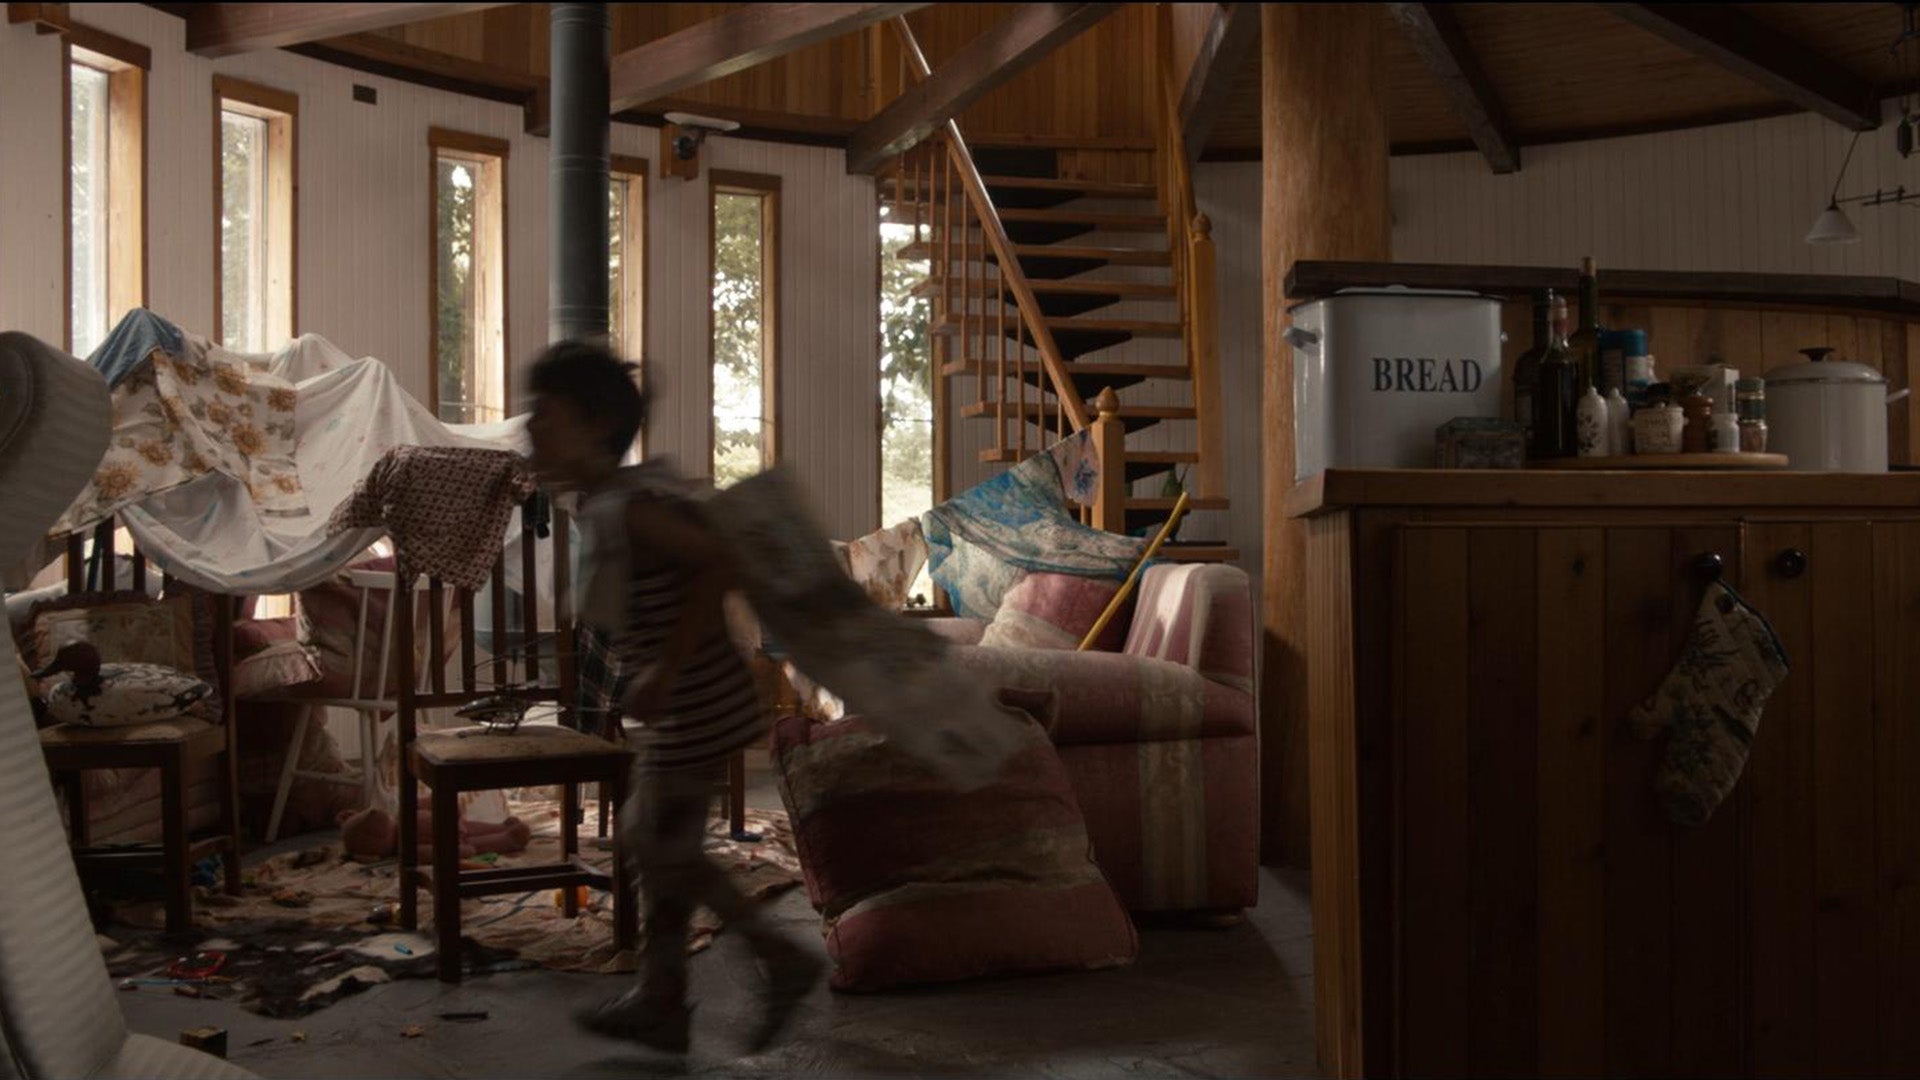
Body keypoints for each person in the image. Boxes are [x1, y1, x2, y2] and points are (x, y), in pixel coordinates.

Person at [522, 341, 823, 1055]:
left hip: (697, 701)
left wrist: (668, 665)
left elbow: (720, 557)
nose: (531, 429)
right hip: (682, 704)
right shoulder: (602, 505)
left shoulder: (633, 506)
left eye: (545, 415)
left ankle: (777, 957)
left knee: (652, 843)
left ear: (593, 428)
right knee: (660, 850)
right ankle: (662, 1000)